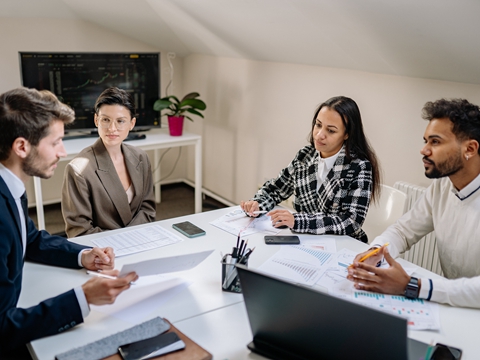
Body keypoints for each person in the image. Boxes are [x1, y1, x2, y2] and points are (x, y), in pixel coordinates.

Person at [0, 87, 138, 359]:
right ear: (21, 147)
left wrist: (83, 256)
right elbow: (3, 328)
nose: (63, 152)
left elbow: (31, 240)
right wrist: (82, 298)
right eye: (55, 143)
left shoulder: (11, 185)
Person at [347, 98, 480, 308]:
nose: (424, 150)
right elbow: (402, 231)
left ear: (470, 149)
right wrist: (374, 252)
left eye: (435, 142)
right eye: (426, 140)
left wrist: (413, 286)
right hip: (453, 306)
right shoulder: (442, 186)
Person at [241, 96, 381, 243]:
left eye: (331, 131)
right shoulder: (305, 155)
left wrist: (298, 221)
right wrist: (257, 204)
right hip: (305, 240)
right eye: (318, 125)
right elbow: (275, 190)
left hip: (343, 245)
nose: (319, 135)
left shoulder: (359, 166)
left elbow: (351, 221)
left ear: (347, 134)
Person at [62, 87, 156, 237]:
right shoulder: (78, 170)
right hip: (103, 250)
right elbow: (79, 230)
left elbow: (148, 210)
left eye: (120, 121)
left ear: (131, 124)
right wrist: (123, 240)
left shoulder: (141, 158)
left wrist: (133, 237)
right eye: (106, 120)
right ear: (96, 120)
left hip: (140, 238)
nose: (112, 128)